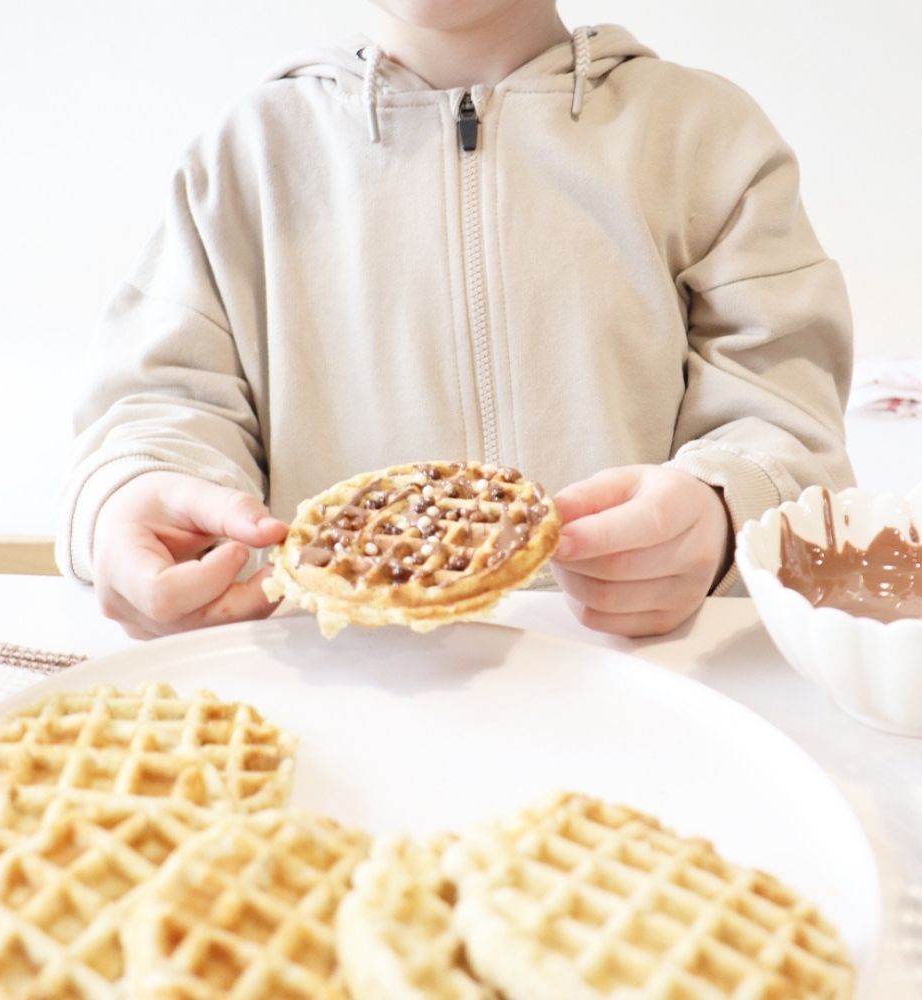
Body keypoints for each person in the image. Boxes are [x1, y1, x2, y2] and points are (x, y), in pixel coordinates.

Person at [57, 0, 854, 640]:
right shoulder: (245, 159)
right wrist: (132, 495)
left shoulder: (705, 141)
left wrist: (721, 511)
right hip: (333, 689)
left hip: (647, 685)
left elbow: (786, 413)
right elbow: (162, 403)